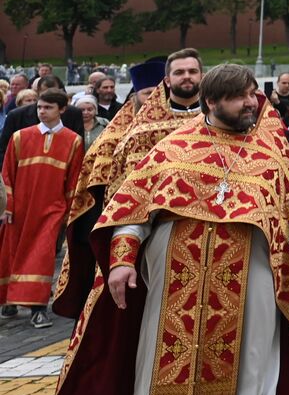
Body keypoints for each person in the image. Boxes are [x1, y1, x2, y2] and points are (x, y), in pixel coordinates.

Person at [55, 64, 289, 395]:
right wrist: (123, 260)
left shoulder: (273, 150)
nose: (251, 103)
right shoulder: (175, 147)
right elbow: (131, 206)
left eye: (252, 94)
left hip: (254, 281)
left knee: (252, 370)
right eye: (239, 97)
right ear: (212, 102)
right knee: (163, 373)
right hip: (174, 285)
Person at [51, 53, 202, 319]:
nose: (187, 78)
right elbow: (107, 179)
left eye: (192, 72)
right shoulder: (135, 132)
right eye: (180, 73)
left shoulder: (214, 121)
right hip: (148, 227)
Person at [0, 89, 84, 328]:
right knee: (12, 255)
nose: (42, 112)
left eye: (48, 107)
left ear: (62, 110)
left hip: (51, 210)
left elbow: (73, 180)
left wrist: (69, 212)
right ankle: (10, 300)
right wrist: (8, 206)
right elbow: (7, 174)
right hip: (19, 209)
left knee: (43, 257)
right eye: (39, 107)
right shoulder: (20, 137)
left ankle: (38, 309)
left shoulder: (73, 141)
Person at [1, 74, 84, 152]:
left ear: (62, 91)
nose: (49, 96)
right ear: (38, 92)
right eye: (45, 92)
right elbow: (5, 150)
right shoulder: (16, 116)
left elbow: (78, 148)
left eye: (53, 92)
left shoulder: (73, 113)